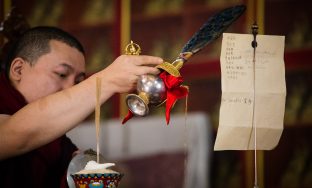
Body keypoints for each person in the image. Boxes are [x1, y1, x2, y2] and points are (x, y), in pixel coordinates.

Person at [0, 26, 162, 187]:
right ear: (18, 70)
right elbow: (11, 135)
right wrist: (107, 81)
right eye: (62, 74)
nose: (71, 88)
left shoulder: (57, 141)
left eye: (78, 82)